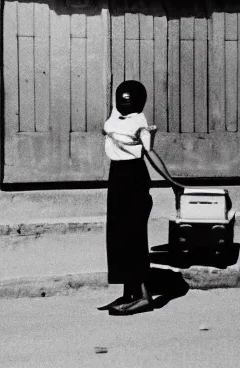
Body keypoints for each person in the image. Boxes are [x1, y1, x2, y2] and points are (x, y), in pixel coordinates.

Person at [98, 80, 156, 316]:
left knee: (133, 234)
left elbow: (149, 151)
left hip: (134, 175)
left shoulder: (140, 122)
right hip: (117, 176)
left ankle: (144, 297)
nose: (123, 103)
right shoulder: (114, 116)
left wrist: (174, 185)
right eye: (121, 99)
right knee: (117, 234)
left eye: (128, 99)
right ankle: (127, 293)